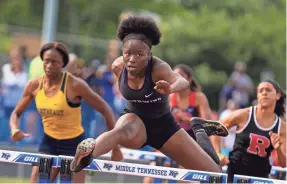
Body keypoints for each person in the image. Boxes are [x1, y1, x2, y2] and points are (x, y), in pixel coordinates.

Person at [71, 16, 228, 174]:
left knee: (214, 173)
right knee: (120, 132)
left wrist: (170, 88)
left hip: (164, 127)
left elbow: (182, 82)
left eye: (139, 55)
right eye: (127, 54)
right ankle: (88, 154)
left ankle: (199, 129)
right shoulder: (117, 67)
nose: (132, 59)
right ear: (123, 53)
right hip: (134, 119)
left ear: (149, 55)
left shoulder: (158, 68)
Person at [9, 42, 123, 183]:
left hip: (74, 146)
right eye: (47, 61)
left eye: (55, 62)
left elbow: (105, 109)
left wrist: (115, 147)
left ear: (63, 63)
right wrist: (14, 129)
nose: (50, 65)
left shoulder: (74, 84)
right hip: (49, 143)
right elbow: (16, 113)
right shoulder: (34, 85)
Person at [212, 80, 286, 182]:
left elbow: (282, 163)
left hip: (260, 177)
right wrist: (218, 154)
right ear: (257, 95)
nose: (264, 93)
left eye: (268, 90)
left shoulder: (281, 127)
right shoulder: (244, 115)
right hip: (235, 174)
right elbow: (216, 129)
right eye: (261, 91)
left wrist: (278, 149)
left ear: (278, 95)